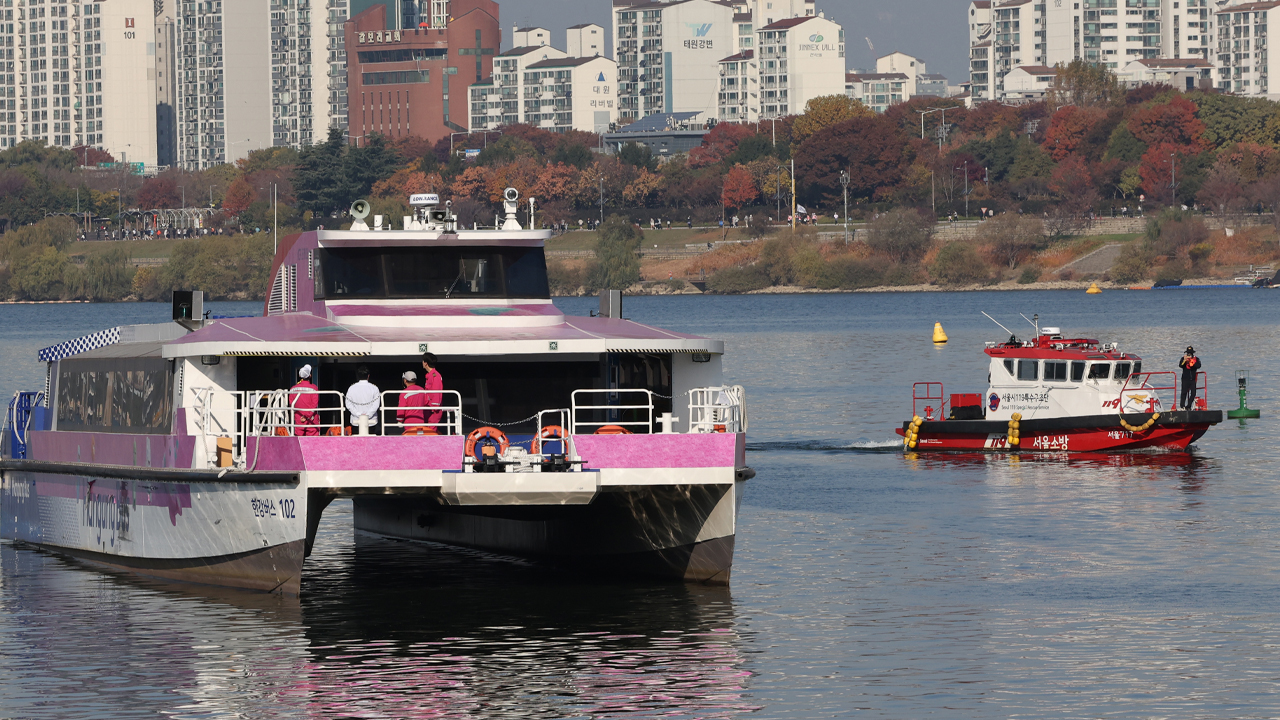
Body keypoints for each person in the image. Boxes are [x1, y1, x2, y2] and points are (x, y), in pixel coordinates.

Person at [345, 365, 380, 433]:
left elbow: (348, 404)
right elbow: (376, 405)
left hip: (356, 420)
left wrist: (358, 414)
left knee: (357, 442)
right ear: (368, 376)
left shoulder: (351, 388)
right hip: (371, 421)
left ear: (358, 376)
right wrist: (368, 415)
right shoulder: (374, 388)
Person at [289, 365, 320, 436]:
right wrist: (306, 416)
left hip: (298, 420)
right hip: (311, 420)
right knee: (313, 443)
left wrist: (301, 417)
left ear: (299, 375)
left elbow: (292, 405)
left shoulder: (293, 389)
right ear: (310, 375)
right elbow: (314, 404)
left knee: (298, 442)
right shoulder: (314, 388)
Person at [421, 352, 444, 430]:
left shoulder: (435, 376)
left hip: (433, 410)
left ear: (425, 363)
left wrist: (434, 408)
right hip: (428, 409)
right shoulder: (429, 376)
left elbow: (437, 392)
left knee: (430, 431)